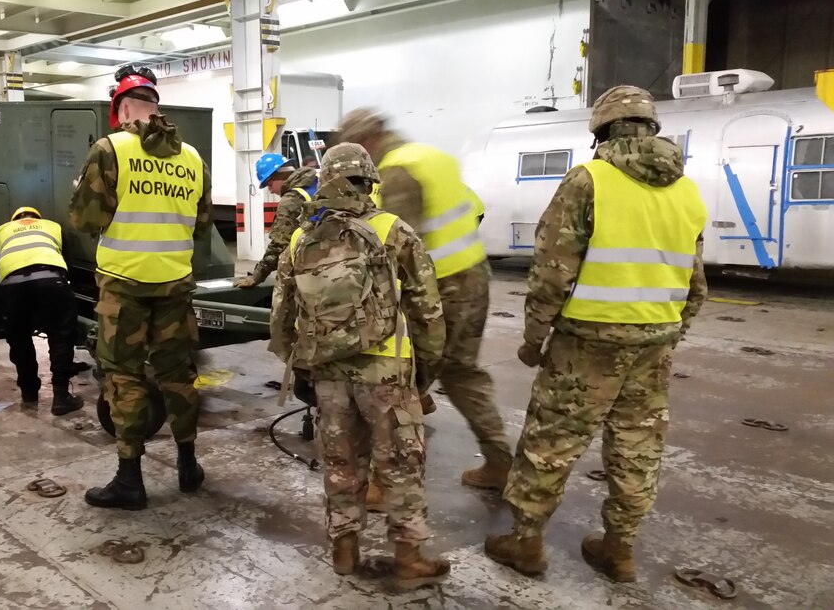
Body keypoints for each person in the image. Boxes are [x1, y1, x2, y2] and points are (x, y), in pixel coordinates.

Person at [483, 85, 708, 582]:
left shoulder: (589, 180)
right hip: (654, 343)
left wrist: (533, 336)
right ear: (653, 128)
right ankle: (619, 549)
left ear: (600, 129)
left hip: (587, 343)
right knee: (638, 444)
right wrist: (671, 331)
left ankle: (526, 543)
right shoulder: (687, 190)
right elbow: (695, 282)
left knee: (552, 439)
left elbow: (552, 270)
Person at [270, 143, 449, 589]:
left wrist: (301, 363)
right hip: (386, 370)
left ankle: (344, 551)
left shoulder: (299, 238)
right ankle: (408, 558)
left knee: (341, 462)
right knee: (401, 465)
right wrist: (425, 372)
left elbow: (281, 316)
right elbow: (428, 310)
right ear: (370, 182)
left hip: (329, 371)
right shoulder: (394, 230)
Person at [339, 109, 512, 499]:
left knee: (396, 380)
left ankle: (385, 484)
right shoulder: (431, 156)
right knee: (463, 375)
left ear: (367, 142)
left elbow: (399, 248)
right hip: (473, 280)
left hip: (438, 293)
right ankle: (501, 463)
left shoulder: (396, 171)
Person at [70, 65, 212, 511]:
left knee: (125, 376)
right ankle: (189, 466)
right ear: (156, 107)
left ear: (123, 109)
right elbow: (203, 225)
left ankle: (130, 479)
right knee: (179, 375)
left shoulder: (110, 150)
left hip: (124, 286)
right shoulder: (192, 158)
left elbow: (84, 220)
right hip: (174, 284)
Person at [0, 206, 83, 416]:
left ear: (14, 220)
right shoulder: (54, 227)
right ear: (37, 218)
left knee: (20, 338)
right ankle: (60, 397)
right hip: (51, 280)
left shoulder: (0, 231)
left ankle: (29, 392)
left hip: (13, 286)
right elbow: (66, 262)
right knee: (61, 336)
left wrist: (6, 302)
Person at [234, 153, 318, 288]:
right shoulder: (320, 181)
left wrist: (257, 276)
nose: (271, 190)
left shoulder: (291, 200)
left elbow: (279, 245)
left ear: (280, 176)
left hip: (311, 271)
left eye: (270, 184)